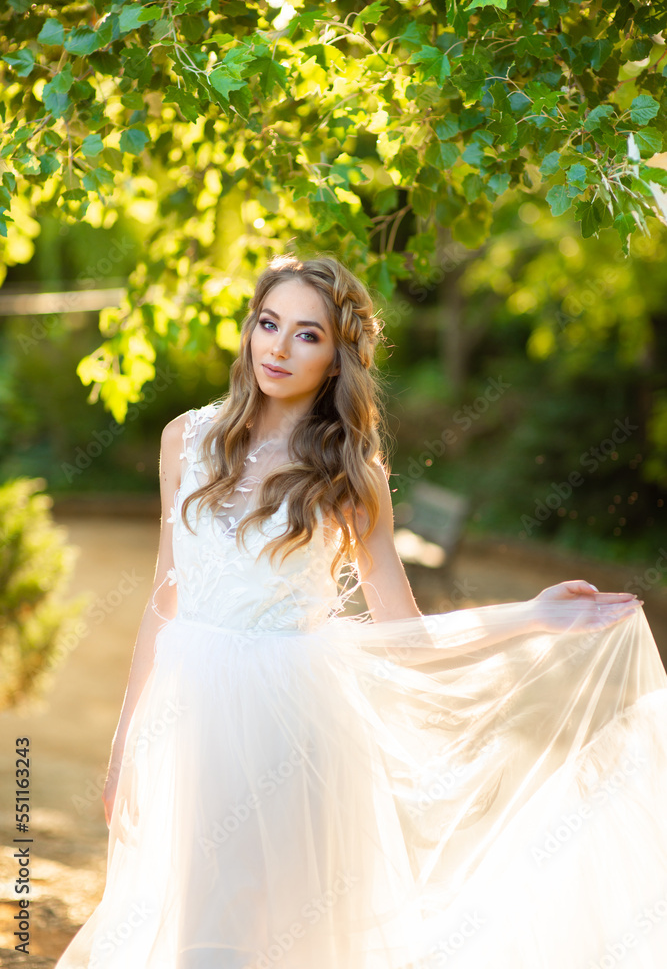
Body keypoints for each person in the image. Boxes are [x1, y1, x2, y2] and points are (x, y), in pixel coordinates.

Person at [55, 254, 667, 969]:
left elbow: (402, 633)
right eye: (268, 323)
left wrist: (530, 616)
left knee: (265, 944)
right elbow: (165, 599)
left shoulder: (349, 473)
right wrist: (127, 743)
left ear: (338, 356)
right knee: (189, 935)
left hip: (292, 733)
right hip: (187, 727)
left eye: (307, 335)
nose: (278, 348)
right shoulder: (186, 439)